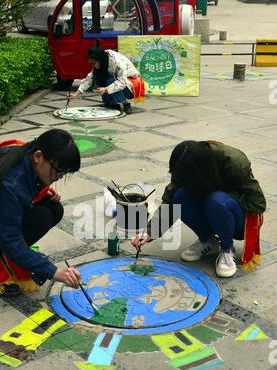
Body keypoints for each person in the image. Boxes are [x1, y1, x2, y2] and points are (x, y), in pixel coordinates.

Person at [131, 140, 266, 277]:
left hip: (238, 221)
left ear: (199, 171)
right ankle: (208, 241)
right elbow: (170, 202)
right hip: (213, 211)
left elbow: (258, 204)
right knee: (179, 196)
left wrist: (219, 199)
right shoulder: (184, 166)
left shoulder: (233, 161)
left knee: (216, 200)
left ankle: (227, 249)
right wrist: (149, 232)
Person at [0, 129, 82, 297]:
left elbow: (21, 186)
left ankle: (16, 255)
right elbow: (10, 240)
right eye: (58, 171)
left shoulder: (26, 150)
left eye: (63, 173)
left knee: (54, 209)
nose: (59, 177)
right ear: (38, 156)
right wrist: (54, 272)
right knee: (40, 219)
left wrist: (41, 190)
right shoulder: (12, 186)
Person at [68, 40, 145, 115]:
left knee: (110, 79)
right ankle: (111, 103)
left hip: (132, 85)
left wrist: (106, 89)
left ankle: (125, 104)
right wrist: (76, 94)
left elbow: (122, 82)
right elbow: (90, 78)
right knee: (100, 77)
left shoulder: (118, 62)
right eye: (89, 62)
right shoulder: (103, 60)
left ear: (99, 60)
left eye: (92, 62)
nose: (91, 64)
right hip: (121, 81)